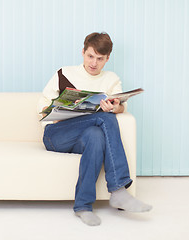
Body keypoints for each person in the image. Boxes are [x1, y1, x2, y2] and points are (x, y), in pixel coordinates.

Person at [37, 32, 152, 226]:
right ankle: (118, 190)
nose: (94, 63)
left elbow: (121, 106)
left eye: (100, 59)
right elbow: (42, 107)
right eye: (90, 56)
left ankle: (83, 206)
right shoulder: (64, 73)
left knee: (97, 135)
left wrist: (115, 107)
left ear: (107, 59)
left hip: (84, 136)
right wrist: (53, 115)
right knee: (104, 118)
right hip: (57, 134)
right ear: (83, 52)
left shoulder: (111, 79)